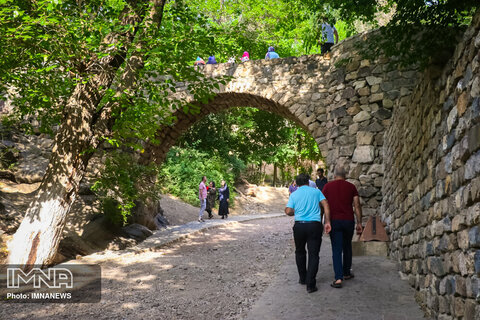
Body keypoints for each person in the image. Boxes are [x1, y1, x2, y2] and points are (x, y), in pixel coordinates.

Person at [285, 173, 331, 293]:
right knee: (313, 254)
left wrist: (296, 211)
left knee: (300, 252)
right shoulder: (316, 192)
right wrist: (327, 221)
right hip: (314, 226)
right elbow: (326, 204)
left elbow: (289, 211)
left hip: (299, 226)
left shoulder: (294, 194)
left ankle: (303, 278)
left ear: (297, 183)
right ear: (308, 182)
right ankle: (310, 285)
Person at [321, 166, 363, 288]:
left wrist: (323, 220)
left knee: (336, 249)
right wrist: (359, 222)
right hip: (348, 221)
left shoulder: (327, 187)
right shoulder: (351, 187)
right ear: (345, 176)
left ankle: (338, 278)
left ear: (334, 176)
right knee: (347, 247)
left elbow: (323, 204)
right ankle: (346, 273)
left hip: (334, 221)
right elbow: (357, 205)